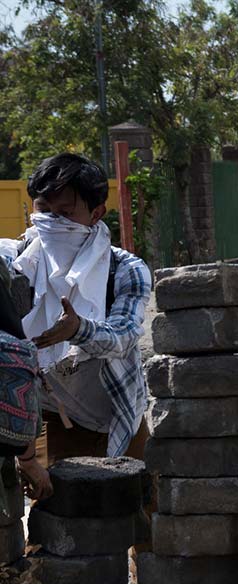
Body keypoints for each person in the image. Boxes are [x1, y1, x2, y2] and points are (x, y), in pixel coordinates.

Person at [0, 152, 152, 483]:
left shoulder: (125, 269)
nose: (53, 224)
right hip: (54, 417)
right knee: (56, 520)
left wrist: (79, 329)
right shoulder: (15, 263)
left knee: (140, 519)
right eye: (44, 212)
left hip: (118, 413)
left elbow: (124, 336)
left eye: (65, 214)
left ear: (96, 213)